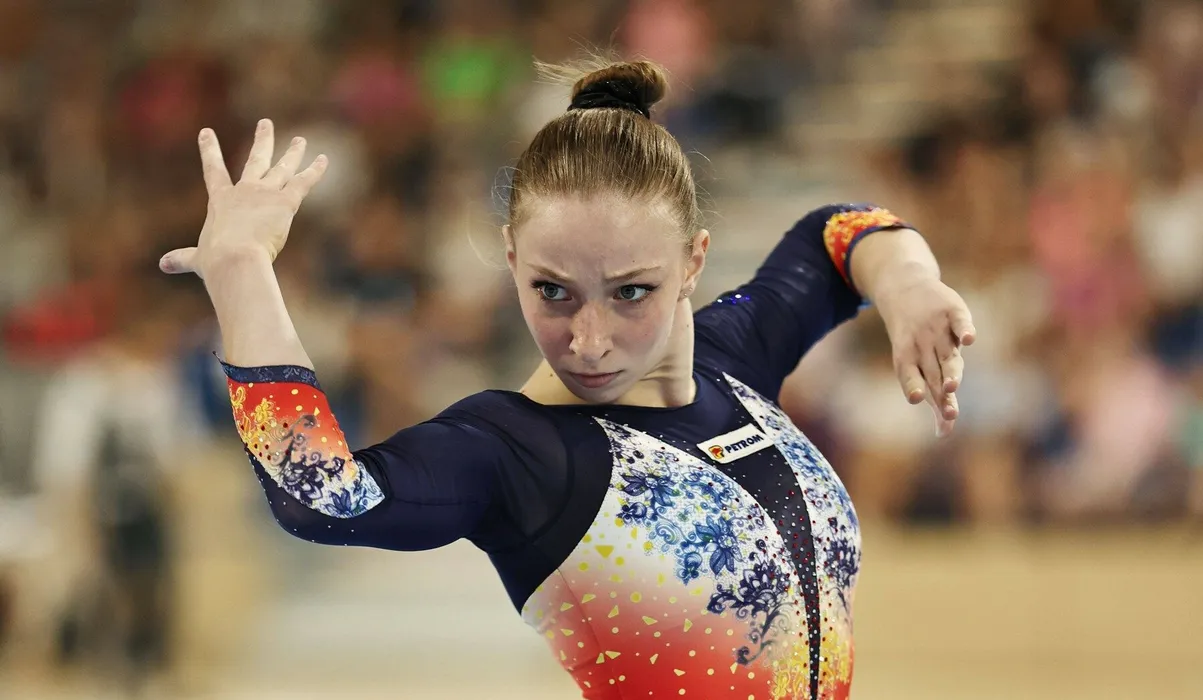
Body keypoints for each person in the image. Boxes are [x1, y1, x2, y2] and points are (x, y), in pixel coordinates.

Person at [160, 60, 975, 700]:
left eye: (631, 292)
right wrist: (241, 274)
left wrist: (907, 284)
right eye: (552, 291)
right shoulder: (516, 451)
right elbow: (321, 496)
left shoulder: (734, 357)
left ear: (693, 261)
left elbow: (837, 233)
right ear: (511, 259)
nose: (588, 341)